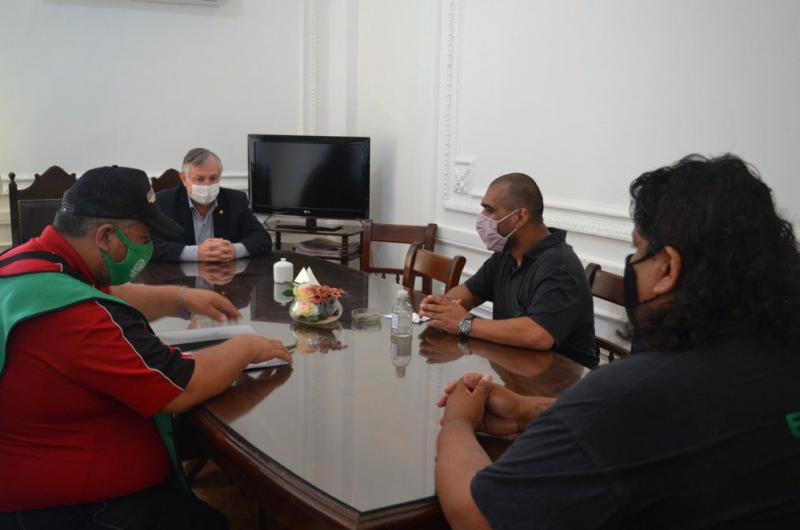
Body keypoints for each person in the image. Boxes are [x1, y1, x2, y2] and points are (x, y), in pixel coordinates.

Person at [434, 155, 800, 529]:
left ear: (668, 269)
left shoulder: (631, 396)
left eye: (639, 251)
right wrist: (528, 410)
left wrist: (459, 421)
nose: (634, 264)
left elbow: (473, 516)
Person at [0, 166, 292, 530]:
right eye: (142, 237)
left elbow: (112, 294)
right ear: (105, 235)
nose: (147, 246)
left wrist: (181, 297)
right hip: (69, 507)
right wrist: (246, 347)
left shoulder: (28, 263)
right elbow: (181, 385)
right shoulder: (77, 316)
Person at [419, 173, 598, 368]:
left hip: (561, 383)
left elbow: (538, 335)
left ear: (520, 217)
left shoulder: (559, 266)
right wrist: (441, 308)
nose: (482, 219)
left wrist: (464, 323)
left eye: (489, 210)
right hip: (516, 370)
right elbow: (469, 292)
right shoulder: (507, 253)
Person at [151, 147, 272, 262]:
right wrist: (196, 253)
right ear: (183, 178)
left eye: (213, 178)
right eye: (200, 179)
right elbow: (150, 245)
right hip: (179, 279)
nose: (207, 185)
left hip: (226, 277)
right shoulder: (164, 201)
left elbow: (262, 239)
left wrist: (234, 250)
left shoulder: (235, 200)